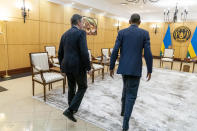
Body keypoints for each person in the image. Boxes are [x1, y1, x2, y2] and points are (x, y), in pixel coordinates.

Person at [110, 13, 153, 131]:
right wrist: (150, 69)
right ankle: (125, 124)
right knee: (131, 96)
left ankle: (123, 112)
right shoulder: (144, 33)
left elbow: (114, 51)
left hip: (124, 67)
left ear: (129, 21)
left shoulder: (122, 32)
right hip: (135, 69)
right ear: (139, 22)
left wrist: (111, 66)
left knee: (125, 89)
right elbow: (148, 53)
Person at [58, 14, 91, 122]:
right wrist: (88, 67)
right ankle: (70, 110)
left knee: (71, 87)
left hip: (67, 66)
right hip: (78, 66)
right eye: (82, 22)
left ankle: (71, 108)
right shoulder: (81, 33)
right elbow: (84, 52)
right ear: (78, 22)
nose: (83, 24)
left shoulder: (64, 34)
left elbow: (60, 53)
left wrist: (62, 67)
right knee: (83, 87)